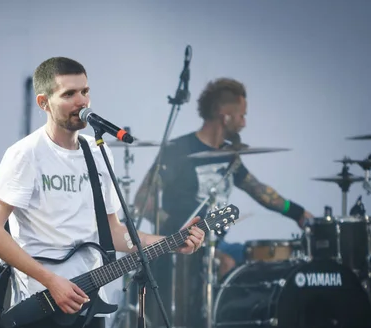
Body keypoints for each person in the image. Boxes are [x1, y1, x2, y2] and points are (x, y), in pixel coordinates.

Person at [0, 57, 206, 328]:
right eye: (69, 93)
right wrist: (51, 280)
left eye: (85, 91)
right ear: (44, 102)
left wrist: (172, 241)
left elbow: (112, 233)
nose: (81, 101)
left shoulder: (97, 154)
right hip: (41, 306)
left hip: (87, 308)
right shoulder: (26, 154)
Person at [134, 77, 314, 279]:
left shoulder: (228, 156)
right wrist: (176, 233)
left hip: (215, 243)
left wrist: (298, 213)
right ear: (225, 116)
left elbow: (259, 191)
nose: (245, 123)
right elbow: (142, 201)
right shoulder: (178, 151)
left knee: (265, 262)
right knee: (226, 262)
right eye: (242, 116)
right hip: (181, 248)